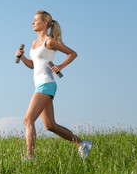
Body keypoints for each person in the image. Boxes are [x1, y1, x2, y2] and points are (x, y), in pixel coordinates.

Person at [15, 10, 93, 159]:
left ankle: (29, 157)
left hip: (46, 83)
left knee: (28, 119)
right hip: (40, 85)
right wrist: (22, 57)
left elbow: (72, 53)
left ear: (44, 23)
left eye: (35, 20)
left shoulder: (49, 42)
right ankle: (82, 144)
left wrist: (61, 66)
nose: (32, 22)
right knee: (50, 125)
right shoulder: (34, 43)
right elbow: (33, 65)